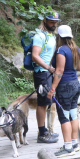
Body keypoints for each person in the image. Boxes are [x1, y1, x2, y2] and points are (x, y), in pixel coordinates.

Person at [47, 25, 80, 157]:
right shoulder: (77, 50)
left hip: (65, 87)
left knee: (63, 117)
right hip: (76, 85)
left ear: (59, 37)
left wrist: (52, 89)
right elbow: (79, 67)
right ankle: (74, 143)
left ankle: (68, 147)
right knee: (73, 114)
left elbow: (60, 71)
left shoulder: (61, 50)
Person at [31, 12, 60, 143]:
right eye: (51, 21)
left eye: (55, 22)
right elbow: (35, 56)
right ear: (45, 21)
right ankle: (42, 134)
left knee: (47, 102)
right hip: (41, 73)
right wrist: (48, 68)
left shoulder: (51, 36)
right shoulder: (39, 36)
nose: (54, 24)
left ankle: (45, 131)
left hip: (47, 73)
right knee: (42, 103)